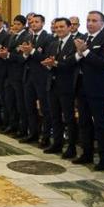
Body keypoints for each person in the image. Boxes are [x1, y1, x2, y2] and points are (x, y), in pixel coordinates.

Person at [73, 11, 104, 170]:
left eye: (94, 20)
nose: (90, 23)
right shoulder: (83, 37)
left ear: (102, 23)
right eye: (88, 20)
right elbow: (78, 60)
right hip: (81, 85)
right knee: (84, 122)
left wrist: (85, 51)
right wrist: (79, 53)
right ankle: (87, 153)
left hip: (97, 87)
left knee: (100, 123)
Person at [42, 17, 78, 156]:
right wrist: (48, 64)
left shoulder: (74, 44)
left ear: (69, 28)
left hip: (67, 85)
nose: (59, 30)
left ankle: (71, 147)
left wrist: (55, 64)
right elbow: (49, 60)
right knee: (55, 116)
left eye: (62, 27)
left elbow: (72, 64)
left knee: (68, 118)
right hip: (52, 84)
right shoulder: (53, 44)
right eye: (56, 27)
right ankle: (57, 143)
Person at [20, 14, 54, 145]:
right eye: (32, 22)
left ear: (42, 23)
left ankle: (45, 136)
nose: (33, 24)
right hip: (28, 76)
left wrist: (32, 51)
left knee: (45, 109)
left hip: (42, 77)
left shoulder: (48, 38)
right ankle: (32, 133)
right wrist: (24, 53)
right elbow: (24, 57)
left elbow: (47, 58)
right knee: (29, 107)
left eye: (36, 22)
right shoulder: (28, 37)